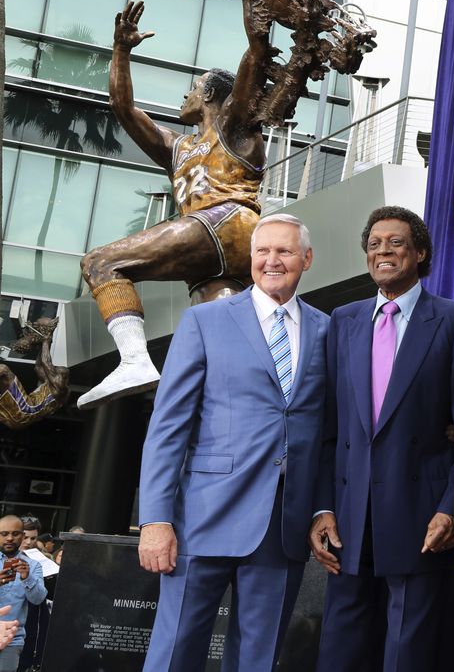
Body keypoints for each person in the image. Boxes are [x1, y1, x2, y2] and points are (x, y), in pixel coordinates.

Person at [78, 0, 269, 410]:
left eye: (191, 89)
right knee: (217, 352)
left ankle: (134, 361)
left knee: (102, 263)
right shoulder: (177, 147)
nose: (183, 97)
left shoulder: (234, 125)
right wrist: (121, 52)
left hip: (226, 221)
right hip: (218, 256)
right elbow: (122, 109)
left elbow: (256, 50)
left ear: (210, 95)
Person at [137, 213, 328, 672]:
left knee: (258, 660)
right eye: (263, 251)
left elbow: (328, 432)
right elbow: (168, 427)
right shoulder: (204, 321)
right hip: (201, 519)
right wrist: (155, 519)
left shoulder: (328, 329)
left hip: (282, 526)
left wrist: (322, 507)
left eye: (284, 251)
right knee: (175, 651)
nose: (272, 261)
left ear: (306, 258)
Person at [310, 206, 454, 672]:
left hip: (421, 518)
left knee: (407, 654)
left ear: (419, 252)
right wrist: (322, 507)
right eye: (375, 243)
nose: (383, 250)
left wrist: (450, 507)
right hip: (349, 518)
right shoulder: (343, 320)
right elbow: (329, 427)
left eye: (395, 242)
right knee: (339, 649)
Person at [0, 516, 46, 672]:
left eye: (16, 534)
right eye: (4, 533)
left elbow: (38, 599)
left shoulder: (33, 566)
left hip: (12, 640)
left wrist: (28, 578)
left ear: (22, 536)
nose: (10, 538)